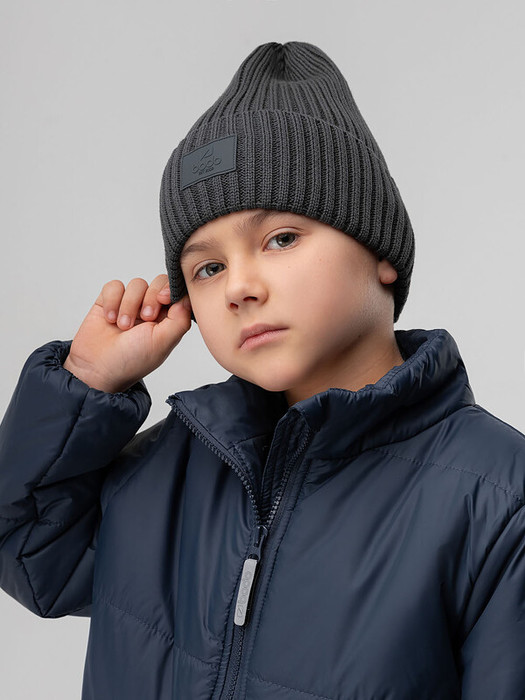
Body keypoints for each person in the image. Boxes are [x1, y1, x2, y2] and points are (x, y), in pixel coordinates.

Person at [1, 40, 524, 700]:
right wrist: (84, 381)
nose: (239, 287)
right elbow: (28, 551)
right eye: (207, 267)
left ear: (381, 251)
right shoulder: (166, 470)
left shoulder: (498, 499)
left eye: (280, 239)